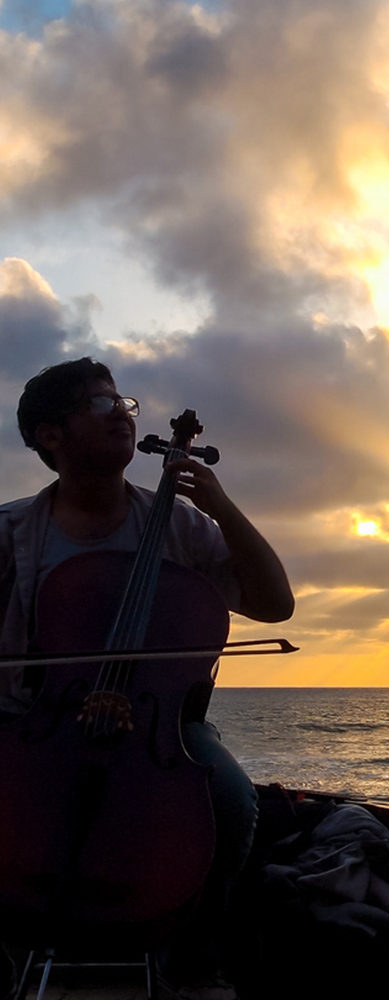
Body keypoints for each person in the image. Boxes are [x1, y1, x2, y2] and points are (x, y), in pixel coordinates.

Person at [0, 358, 295, 1000]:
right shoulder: (10, 531)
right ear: (52, 435)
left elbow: (275, 605)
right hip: (32, 714)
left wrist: (220, 505)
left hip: (163, 724)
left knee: (230, 801)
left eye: (124, 403)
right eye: (102, 405)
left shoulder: (179, 525)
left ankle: (193, 959)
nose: (125, 414)